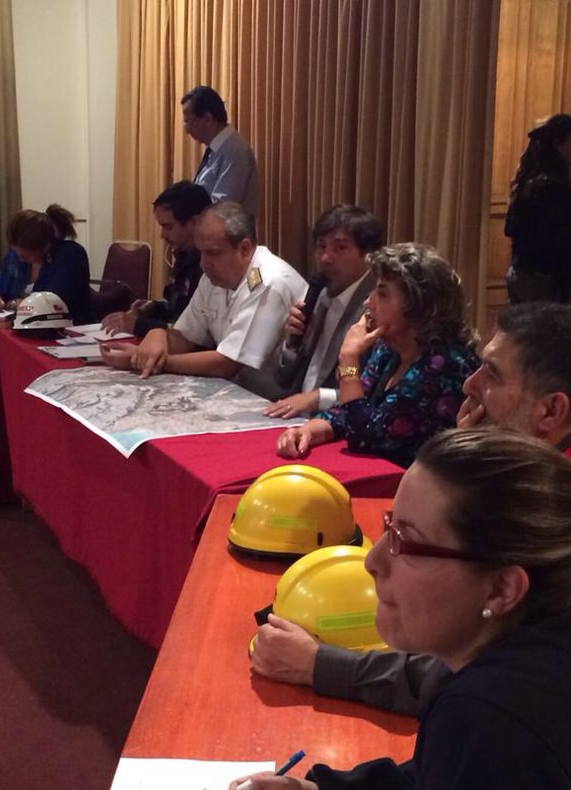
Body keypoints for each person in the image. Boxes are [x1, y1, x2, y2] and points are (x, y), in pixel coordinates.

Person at [251, 302, 571, 718]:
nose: (470, 384)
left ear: (551, 411)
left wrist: (320, 664)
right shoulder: (527, 478)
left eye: (491, 374)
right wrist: (471, 459)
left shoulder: (553, 514)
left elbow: (466, 669)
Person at [232, 429, 571, 789]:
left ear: (501, 589)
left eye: (405, 542)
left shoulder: (491, 717)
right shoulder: (515, 656)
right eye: (389, 526)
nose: (372, 560)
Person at [276, 243, 479, 468]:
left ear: (419, 306)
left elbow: (365, 436)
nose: (368, 302)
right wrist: (308, 431)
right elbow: (349, 410)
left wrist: (348, 359)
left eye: (382, 294)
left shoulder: (445, 364)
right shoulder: (388, 349)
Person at [100, 201, 306, 398]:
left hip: (279, 403)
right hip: (240, 393)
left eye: (213, 253)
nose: (203, 263)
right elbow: (186, 337)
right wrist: (158, 335)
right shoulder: (213, 278)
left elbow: (226, 364)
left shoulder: (268, 282)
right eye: (201, 252)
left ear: (244, 249)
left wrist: (155, 361)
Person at [263, 205, 382, 419]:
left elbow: (370, 390)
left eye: (340, 248)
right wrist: (291, 343)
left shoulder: (376, 307)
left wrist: (319, 397)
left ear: (367, 254)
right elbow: (282, 378)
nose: (326, 257)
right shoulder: (319, 293)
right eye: (321, 246)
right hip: (296, 415)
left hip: (339, 422)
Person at [101, 181, 212, 337]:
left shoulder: (210, 267)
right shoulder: (184, 258)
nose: (162, 235)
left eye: (168, 227)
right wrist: (155, 308)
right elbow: (179, 311)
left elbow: (192, 333)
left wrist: (137, 326)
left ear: (194, 223)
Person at [0, 204, 93, 324]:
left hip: (65, 328)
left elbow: (54, 305)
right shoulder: (13, 256)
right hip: (17, 326)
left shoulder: (71, 256)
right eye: (16, 251)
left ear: (45, 245)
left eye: (27, 255)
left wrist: (19, 304)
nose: (20, 259)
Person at [505, 113, 571, 303]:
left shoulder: (528, 178)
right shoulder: (552, 186)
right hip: (541, 279)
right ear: (558, 143)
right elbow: (560, 239)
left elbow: (509, 228)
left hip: (521, 273)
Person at [182, 85, 258, 218]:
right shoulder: (217, 149)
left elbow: (223, 208)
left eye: (189, 122)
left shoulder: (234, 151)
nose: (187, 130)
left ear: (207, 118)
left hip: (225, 230)